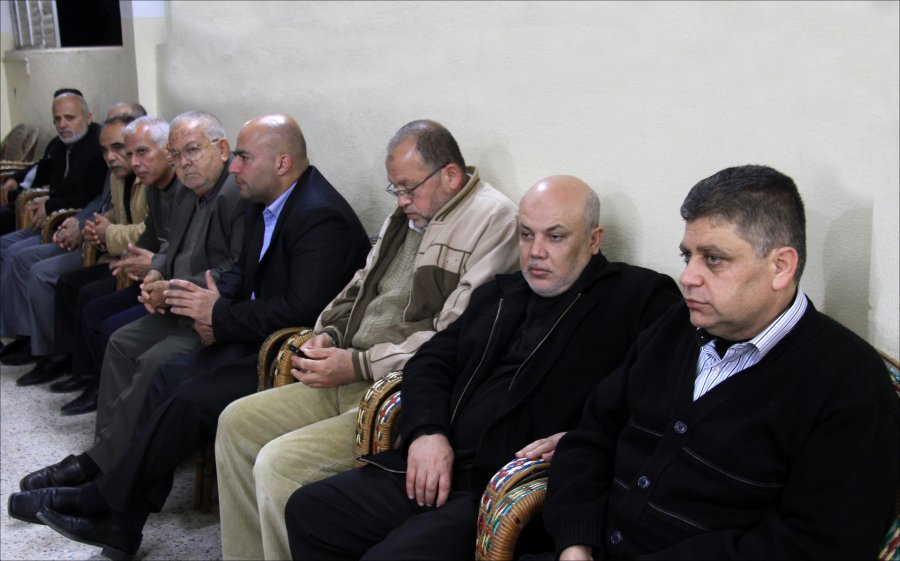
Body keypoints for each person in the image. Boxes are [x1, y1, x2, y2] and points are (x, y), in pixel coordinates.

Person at [8, 113, 373, 559]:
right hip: (253, 336)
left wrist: (217, 314)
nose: (234, 166)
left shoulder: (320, 216)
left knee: (188, 393)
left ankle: (103, 502)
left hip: (290, 355)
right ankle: (120, 519)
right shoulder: (265, 201)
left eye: (243, 157)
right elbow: (241, 273)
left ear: (281, 163)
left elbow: (301, 311)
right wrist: (209, 301)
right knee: (168, 376)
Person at [283, 175, 681, 559]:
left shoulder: (638, 299)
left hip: (501, 490)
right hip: (439, 466)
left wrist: (582, 437)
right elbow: (430, 362)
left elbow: (660, 403)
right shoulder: (501, 293)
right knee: (311, 511)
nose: (536, 251)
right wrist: (428, 432)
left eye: (555, 237)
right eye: (526, 234)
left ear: (594, 240)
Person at [538, 165, 899, 560]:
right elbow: (591, 437)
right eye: (687, 256)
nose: (688, 277)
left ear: (781, 266)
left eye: (713, 259)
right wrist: (574, 542)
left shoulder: (849, 384)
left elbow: (816, 544)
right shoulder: (675, 327)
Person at [214, 119, 520, 560]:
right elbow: (359, 284)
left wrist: (357, 364)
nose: (401, 200)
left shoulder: (494, 221)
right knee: (236, 422)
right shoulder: (410, 212)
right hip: (346, 366)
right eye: (395, 188)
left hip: (391, 389)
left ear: (450, 175)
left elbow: (451, 335)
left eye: (408, 188)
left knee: (279, 465)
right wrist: (327, 334)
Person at [14, 110, 245, 489]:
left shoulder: (236, 195)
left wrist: (168, 287)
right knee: (120, 342)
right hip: (174, 301)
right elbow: (168, 245)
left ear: (222, 149)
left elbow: (235, 268)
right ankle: (106, 453)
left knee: (153, 360)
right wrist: (156, 273)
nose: (184, 162)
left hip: (207, 312)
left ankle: (108, 469)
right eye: (177, 154)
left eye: (193, 150)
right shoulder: (187, 188)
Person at [7, 107, 148, 387]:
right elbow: (111, 211)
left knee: (80, 291)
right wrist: (93, 225)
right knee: (62, 280)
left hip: (132, 259)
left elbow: (150, 229)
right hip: (108, 247)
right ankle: (58, 356)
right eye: (105, 150)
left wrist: (102, 231)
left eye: (118, 148)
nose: (110, 156)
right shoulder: (116, 174)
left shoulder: (149, 177)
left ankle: (83, 372)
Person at [52, 115, 179, 415]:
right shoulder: (152, 185)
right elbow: (149, 236)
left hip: (174, 285)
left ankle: (117, 400)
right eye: (130, 153)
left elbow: (183, 249)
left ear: (167, 151)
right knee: (92, 307)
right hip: (152, 278)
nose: (133, 162)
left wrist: (153, 264)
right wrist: (136, 259)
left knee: (109, 323)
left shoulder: (185, 190)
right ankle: (96, 384)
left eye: (141, 152)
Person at [0, 91, 107, 360]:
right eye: (57, 119)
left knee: (21, 258)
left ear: (88, 117)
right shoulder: (59, 146)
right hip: (55, 218)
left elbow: (89, 198)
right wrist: (41, 197)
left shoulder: (97, 150)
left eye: (70, 117)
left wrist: (54, 207)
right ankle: (16, 332)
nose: (62, 124)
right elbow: (44, 175)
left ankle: (36, 344)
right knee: (5, 245)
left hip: (71, 224)